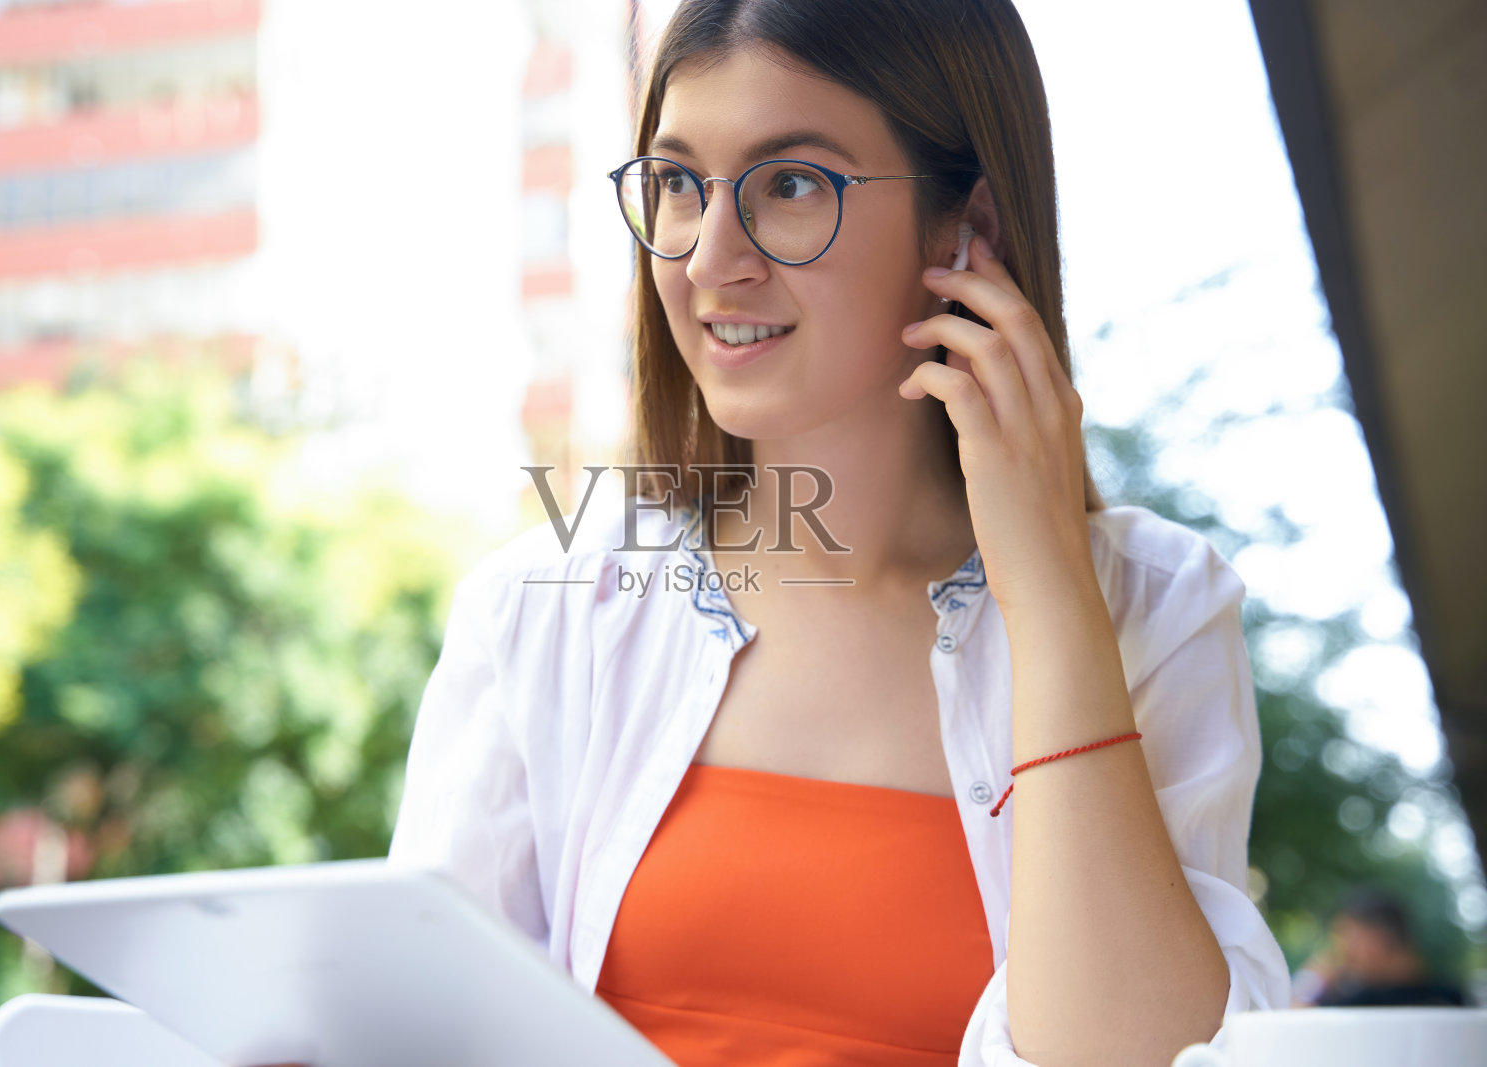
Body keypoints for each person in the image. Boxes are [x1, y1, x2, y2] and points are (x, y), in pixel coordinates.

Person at [388, 1, 1291, 1065]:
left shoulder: (1152, 602)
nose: (709, 259)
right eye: (679, 184)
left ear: (968, 228)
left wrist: (1048, 595)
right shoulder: (549, 600)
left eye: (791, 184)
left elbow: (1135, 1057)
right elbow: (413, 1027)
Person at [1292, 887, 1469, 1009]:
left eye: (1347, 938)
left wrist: (1312, 979)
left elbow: (1290, 1017)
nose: (1344, 953)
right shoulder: (1455, 998)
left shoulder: (1356, 1005)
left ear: (1378, 940)